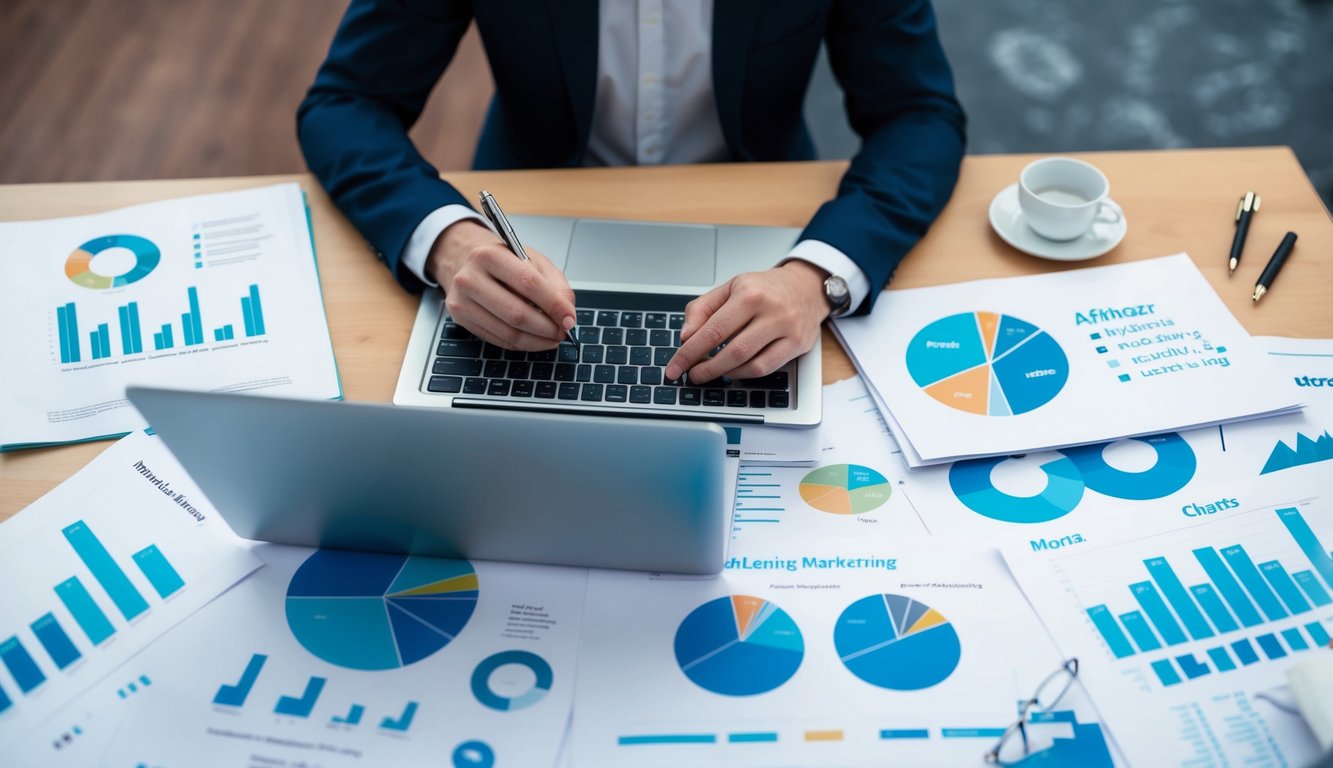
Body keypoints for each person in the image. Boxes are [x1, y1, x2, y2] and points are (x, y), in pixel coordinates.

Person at [298, 0, 965, 382]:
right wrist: (445, 241)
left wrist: (817, 274)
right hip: (532, 223)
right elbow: (346, 102)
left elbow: (918, 113)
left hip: (769, 225)